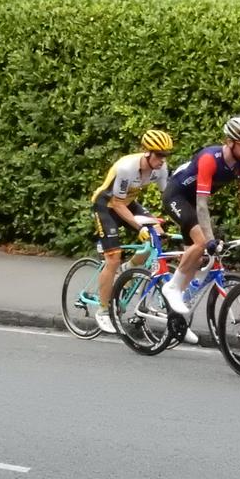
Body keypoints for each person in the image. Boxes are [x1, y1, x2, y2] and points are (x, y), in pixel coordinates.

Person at [160, 117, 240, 338]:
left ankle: (176, 319)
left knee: (196, 259)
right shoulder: (209, 159)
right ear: (229, 142)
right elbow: (201, 205)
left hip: (193, 202)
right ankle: (171, 287)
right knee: (201, 243)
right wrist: (209, 239)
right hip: (177, 196)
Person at [90, 130, 173, 334]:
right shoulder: (127, 168)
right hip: (106, 206)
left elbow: (169, 197)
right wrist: (140, 227)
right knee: (113, 258)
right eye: (159, 155)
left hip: (128, 203)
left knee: (158, 236)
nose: (162, 160)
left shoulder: (160, 169)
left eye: (165, 155)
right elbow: (117, 204)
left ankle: (129, 269)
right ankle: (103, 310)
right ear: (147, 153)